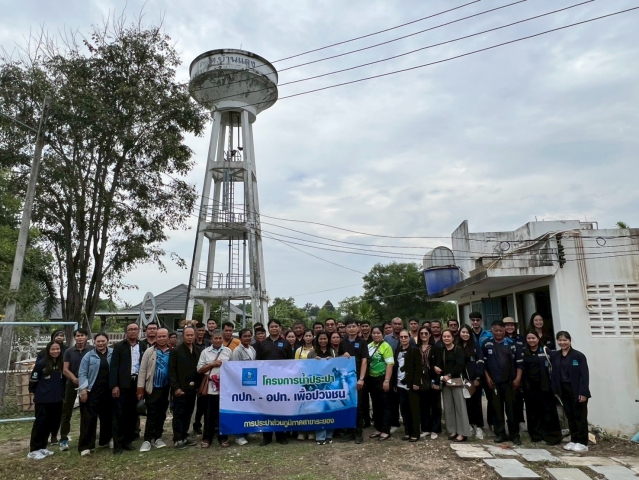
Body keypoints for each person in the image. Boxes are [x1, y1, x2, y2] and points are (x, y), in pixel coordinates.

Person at [483, 320, 523, 445]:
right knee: (497, 409)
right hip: (494, 383)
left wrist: (518, 378)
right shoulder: (486, 344)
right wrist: (487, 377)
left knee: (512, 410)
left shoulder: (512, 344)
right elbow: (483, 364)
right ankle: (500, 434)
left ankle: (514, 435)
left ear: (504, 330)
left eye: (501, 330)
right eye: (496, 331)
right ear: (492, 330)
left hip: (510, 383)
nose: (499, 333)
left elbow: (519, 363)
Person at [550, 331, 590, 452]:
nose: (562, 342)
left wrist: (583, 392)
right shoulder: (556, 356)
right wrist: (555, 390)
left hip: (577, 390)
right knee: (570, 416)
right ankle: (574, 440)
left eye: (565, 340)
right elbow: (554, 374)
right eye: (560, 340)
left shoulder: (578, 356)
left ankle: (582, 442)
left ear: (569, 340)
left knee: (579, 416)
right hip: (563, 390)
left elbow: (584, 375)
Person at [110, 323, 145, 455]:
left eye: (135, 329)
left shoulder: (142, 346)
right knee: (119, 415)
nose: (133, 332)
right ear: (126, 332)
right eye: (130, 329)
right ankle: (118, 445)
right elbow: (114, 367)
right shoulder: (119, 346)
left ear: (139, 331)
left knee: (132, 414)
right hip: (122, 384)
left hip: (137, 384)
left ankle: (128, 441)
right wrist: (114, 386)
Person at [521, 330, 562, 445]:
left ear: (538, 339)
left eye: (533, 338)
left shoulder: (545, 351)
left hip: (545, 387)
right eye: (529, 338)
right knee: (533, 412)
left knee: (549, 411)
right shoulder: (524, 352)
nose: (531, 340)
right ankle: (536, 436)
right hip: (530, 387)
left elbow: (554, 367)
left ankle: (552, 436)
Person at [256, 319, 291, 446]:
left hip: (282, 382)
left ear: (280, 328)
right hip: (267, 382)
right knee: (267, 408)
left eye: (276, 326)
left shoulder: (286, 343)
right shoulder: (263, 343)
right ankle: (267, 437)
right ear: (268, 328)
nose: (274, 328)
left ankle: (281, 436)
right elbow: (258, 362)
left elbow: (291, 363)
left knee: (281, 408)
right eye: (272, 326)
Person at [28, 341, 65, 459]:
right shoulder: (41, 364)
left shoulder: (60, 363)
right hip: (43, 400)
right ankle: (34, 450)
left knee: (49, 424)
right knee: (40, 423)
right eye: (53, 349)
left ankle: (42, 447)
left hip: (56, 399)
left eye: (57, 349)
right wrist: (40, 393)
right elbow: (33, 382)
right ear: (48, 351)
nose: (55, 351)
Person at [58, 328, 94, 451]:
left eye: (82, 335)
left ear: (86, 337)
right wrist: (74, 379)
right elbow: (65, 369)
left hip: (88, 384)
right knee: (67, 411)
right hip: (72, 383)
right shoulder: (69, 351)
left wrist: (85, 381)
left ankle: (86, 438)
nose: (80, 338)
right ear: (74, 338)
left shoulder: (92, 349)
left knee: (87, 412)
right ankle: (63, 439)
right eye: (77, 336)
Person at [78, 333, 113, 456]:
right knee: (89, 419)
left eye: (103, 341)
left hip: (109, 391)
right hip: (92, 391)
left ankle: (106, 440)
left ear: (107, 341)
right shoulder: (88, 356)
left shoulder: (113, 353)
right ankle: (86, 446)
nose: (101, 343)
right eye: (98, 341)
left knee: (108, 417)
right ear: (94, 342)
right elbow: (82, 373)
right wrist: (83, 390)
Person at [137, 328, 171, 452]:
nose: (162, 338)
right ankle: (147, 440)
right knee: (152, 414)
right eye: (159, 336)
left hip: (166, 389)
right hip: (152, 388)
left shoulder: (172, 352)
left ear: (168, 337)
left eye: (164, 336)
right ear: (156, 338)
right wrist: (140, 388)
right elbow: (142, 370)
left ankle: (158, 437)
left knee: (162, 414)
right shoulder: (149, 351)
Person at [197, 329, 232, 448]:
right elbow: (199, 369)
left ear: (222, 339)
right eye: (215, 338)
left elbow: (233, 368)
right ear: (211, 339)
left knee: (223, 414)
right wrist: (212, 364)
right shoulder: (205, 352)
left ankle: (223, 438)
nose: (218, 340)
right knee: (209, 414)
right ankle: (207, 438)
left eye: (220, 338)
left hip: (224, 388)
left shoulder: (228, 351)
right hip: (210, 387)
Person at [338, 318, 369, 444]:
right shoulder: (343, 342)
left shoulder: (362, 342)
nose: (351, 329)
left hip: (357, 379)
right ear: (345, 328)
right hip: (346, 379)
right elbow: (338, 360)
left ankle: (358, 433)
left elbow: (364, 361)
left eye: (353, 326)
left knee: (358, 406)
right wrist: (342, 356)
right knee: (347, 404)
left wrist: (361, 379)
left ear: (358, 327)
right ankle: (349, 432)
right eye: (349, 327)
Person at [169, 326, 201, 448]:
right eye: (187, 335)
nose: (190, 337)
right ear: (183, 336)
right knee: (179, 414)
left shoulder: (197, 350)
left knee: (188, 413)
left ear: (195, 336)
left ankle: (184, 435)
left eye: (192, 335)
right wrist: (175, 388)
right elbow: (172, 371)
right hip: (180, 388)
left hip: (193, 388)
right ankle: (177, 438)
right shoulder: (176, 351)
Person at [437, 330, 471, 442]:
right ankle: (452, 430)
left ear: (453, 338)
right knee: (448, 407)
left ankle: (462, 433)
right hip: (446, 383)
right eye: (444, 336)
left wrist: (450, 375)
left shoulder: (458, 349)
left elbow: (460, 364)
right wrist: (439, 371)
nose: (446, 338)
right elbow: (440, 364)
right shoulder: (442, 350)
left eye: (448, 336)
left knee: (460, 408)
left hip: (456, 382)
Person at [385, 317, 415, 434]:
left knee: (406, 401)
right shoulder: (387, 338)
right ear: (391, 325)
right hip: (392, 371)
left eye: (399, 324)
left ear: (402, 325)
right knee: (392, 400)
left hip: (406, 373)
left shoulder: (410, 339)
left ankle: (411, 424)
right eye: (395, 324)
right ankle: (394, 422)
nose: (397, 326)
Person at [392, 329, 421, 442]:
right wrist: (394, 383)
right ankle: (407, 432)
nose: (403, 339)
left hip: (411, 384)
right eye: (401, 337)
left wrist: (416, 382)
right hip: (400, 385)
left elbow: (418, 367)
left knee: (414, 409)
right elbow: (395, 367)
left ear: (409, 338)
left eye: (405, 337)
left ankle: (415, 433)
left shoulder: (414, 350)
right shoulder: (397, 350)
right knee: (404, 410)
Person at [366, 325, 394, 441]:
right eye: (374, 333)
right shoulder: (369, 346)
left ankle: (386, 430)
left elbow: (390, 364)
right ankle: (378, 428)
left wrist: (387, 380)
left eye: (378, 333)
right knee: (375, 404)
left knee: (385, 404)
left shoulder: (386, 346)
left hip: (382, 378)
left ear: (383, 334)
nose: (376, 335)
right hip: (371, 379)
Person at [457, 325, 485, 439]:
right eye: (463, 332)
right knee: (465, 404)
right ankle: (468, 424)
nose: (465, 334)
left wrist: (478, 377)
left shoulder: (475, 345)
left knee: (476, 403)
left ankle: (478, 427)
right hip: (461, 380)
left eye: (467, 332)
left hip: (474, 380)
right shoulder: (457, 346)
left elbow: (480, 361)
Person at [229, 328, 256, 446]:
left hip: (251, 384)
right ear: (240, 338)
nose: (247, 338)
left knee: (249, 409)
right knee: (240, 411)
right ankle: (238, 435)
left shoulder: (252, 349)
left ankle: (246, 431)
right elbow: (235, 370)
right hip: (240, 385)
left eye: (249, 336)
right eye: (245, 336)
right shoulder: (237, 351)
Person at [469, 311, 493, 430]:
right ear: (470, 321)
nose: (475, 322)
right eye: (473, 320)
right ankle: (477, 424)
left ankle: (491, 422)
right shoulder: (467, 334)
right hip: (475, 372)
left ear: (481, 321)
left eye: (477, 320)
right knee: (476, 399)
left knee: (491, 398)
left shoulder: (488, 335)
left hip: (488, 370)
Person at [417, 326, 440, 439]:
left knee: (435, 405)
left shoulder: (435, 348)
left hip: (432, 379)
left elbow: (439, 365)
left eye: (426, 333)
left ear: (430, 335)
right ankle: (425, 428)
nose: (424, 335)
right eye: (421, 333)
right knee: (423, 405)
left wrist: (437, 381)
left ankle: (435, 429)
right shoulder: (416, 348)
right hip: (421, 380)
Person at [504, 317, 526, 432]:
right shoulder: (501, 339)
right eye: (507, 325)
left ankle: (521, 421)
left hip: (520, 371)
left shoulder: (521, 339)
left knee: (519, 398)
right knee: (509, 401)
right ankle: (511, 424)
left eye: (511, 325)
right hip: (506, 374)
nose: (509, 327)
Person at [313, 331, 336, 445]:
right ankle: (320, 436)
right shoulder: (312, 353)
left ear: (328, 340)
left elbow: (339, 366)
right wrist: (313, 361)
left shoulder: (333, 352)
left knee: (330, 409)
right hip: (317, 386)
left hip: (330, 385)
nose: (323, 341)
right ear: (317, 340)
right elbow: (306, 368)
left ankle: (329, 435)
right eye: (321, 339)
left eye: (325, 339)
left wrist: (333, 360)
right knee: (319, 410)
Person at [192, 323, 211, 434]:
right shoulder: (191, 342)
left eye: (203, 330)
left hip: (204, 376)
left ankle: (198, 424)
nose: (201, 332)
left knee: (202, 403)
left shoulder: (208, 343)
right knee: (190, 403)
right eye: (199, 330)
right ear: (195, 331)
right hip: (192, 375)